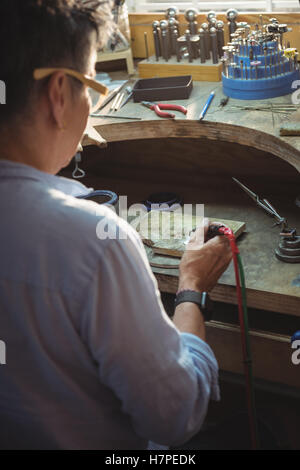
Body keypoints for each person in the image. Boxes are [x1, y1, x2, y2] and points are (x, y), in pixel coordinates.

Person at [0, 0, 232, 450]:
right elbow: (174, 417)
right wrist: (191, 290)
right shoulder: (92, 243)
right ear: (60, 94)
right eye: (92, 84)